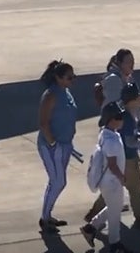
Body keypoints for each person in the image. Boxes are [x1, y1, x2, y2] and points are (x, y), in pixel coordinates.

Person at [79, 102, 128, 252]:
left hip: (108, 181)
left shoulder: (106, 133)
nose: (122, 119)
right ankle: (115, 243)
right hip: (112, 181)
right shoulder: (111, 140)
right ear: (110, 119)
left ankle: (90, 227)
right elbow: (112, 165)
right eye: (119, 117)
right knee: (114, 215)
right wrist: (122, 178)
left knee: (116, 207)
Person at [36, 60, 78, 233]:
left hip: (65, 145)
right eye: (69, 77)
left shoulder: (66, 92)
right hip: (52, 146)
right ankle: (45, 219)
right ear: (58, 78)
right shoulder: (50, 95)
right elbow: (43, 122)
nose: (72, 80)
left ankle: (47, 216)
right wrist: (53, 143)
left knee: (56, 181)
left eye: (73, 77)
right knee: (58, 181)